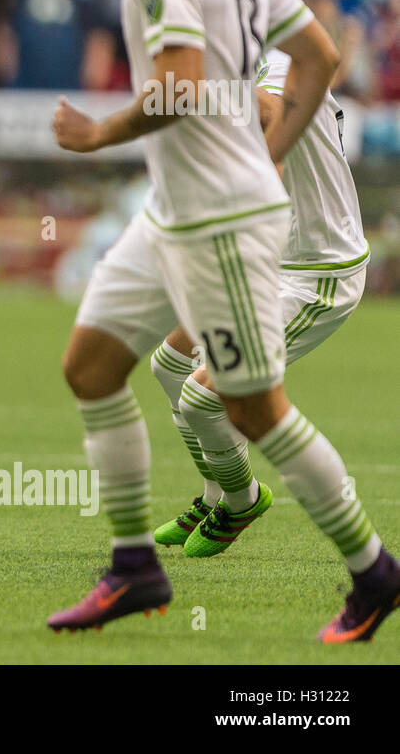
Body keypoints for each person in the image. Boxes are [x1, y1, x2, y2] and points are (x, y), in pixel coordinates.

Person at [48, 0, 398, 642]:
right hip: (174, 210)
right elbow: (320, 57)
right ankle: (135, 567)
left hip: (232, 221)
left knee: (250, 411)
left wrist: (101, 133)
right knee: (95, 366)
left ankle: (374, 571)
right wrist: (266, 147)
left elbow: (175, 87)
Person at [150, 48, 370, 557]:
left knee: (205, 396)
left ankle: (243, 499)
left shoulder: (278, 58)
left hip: (318, 275)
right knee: (170, 363)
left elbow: (268, 117)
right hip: (271, 260)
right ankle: (213, 498)